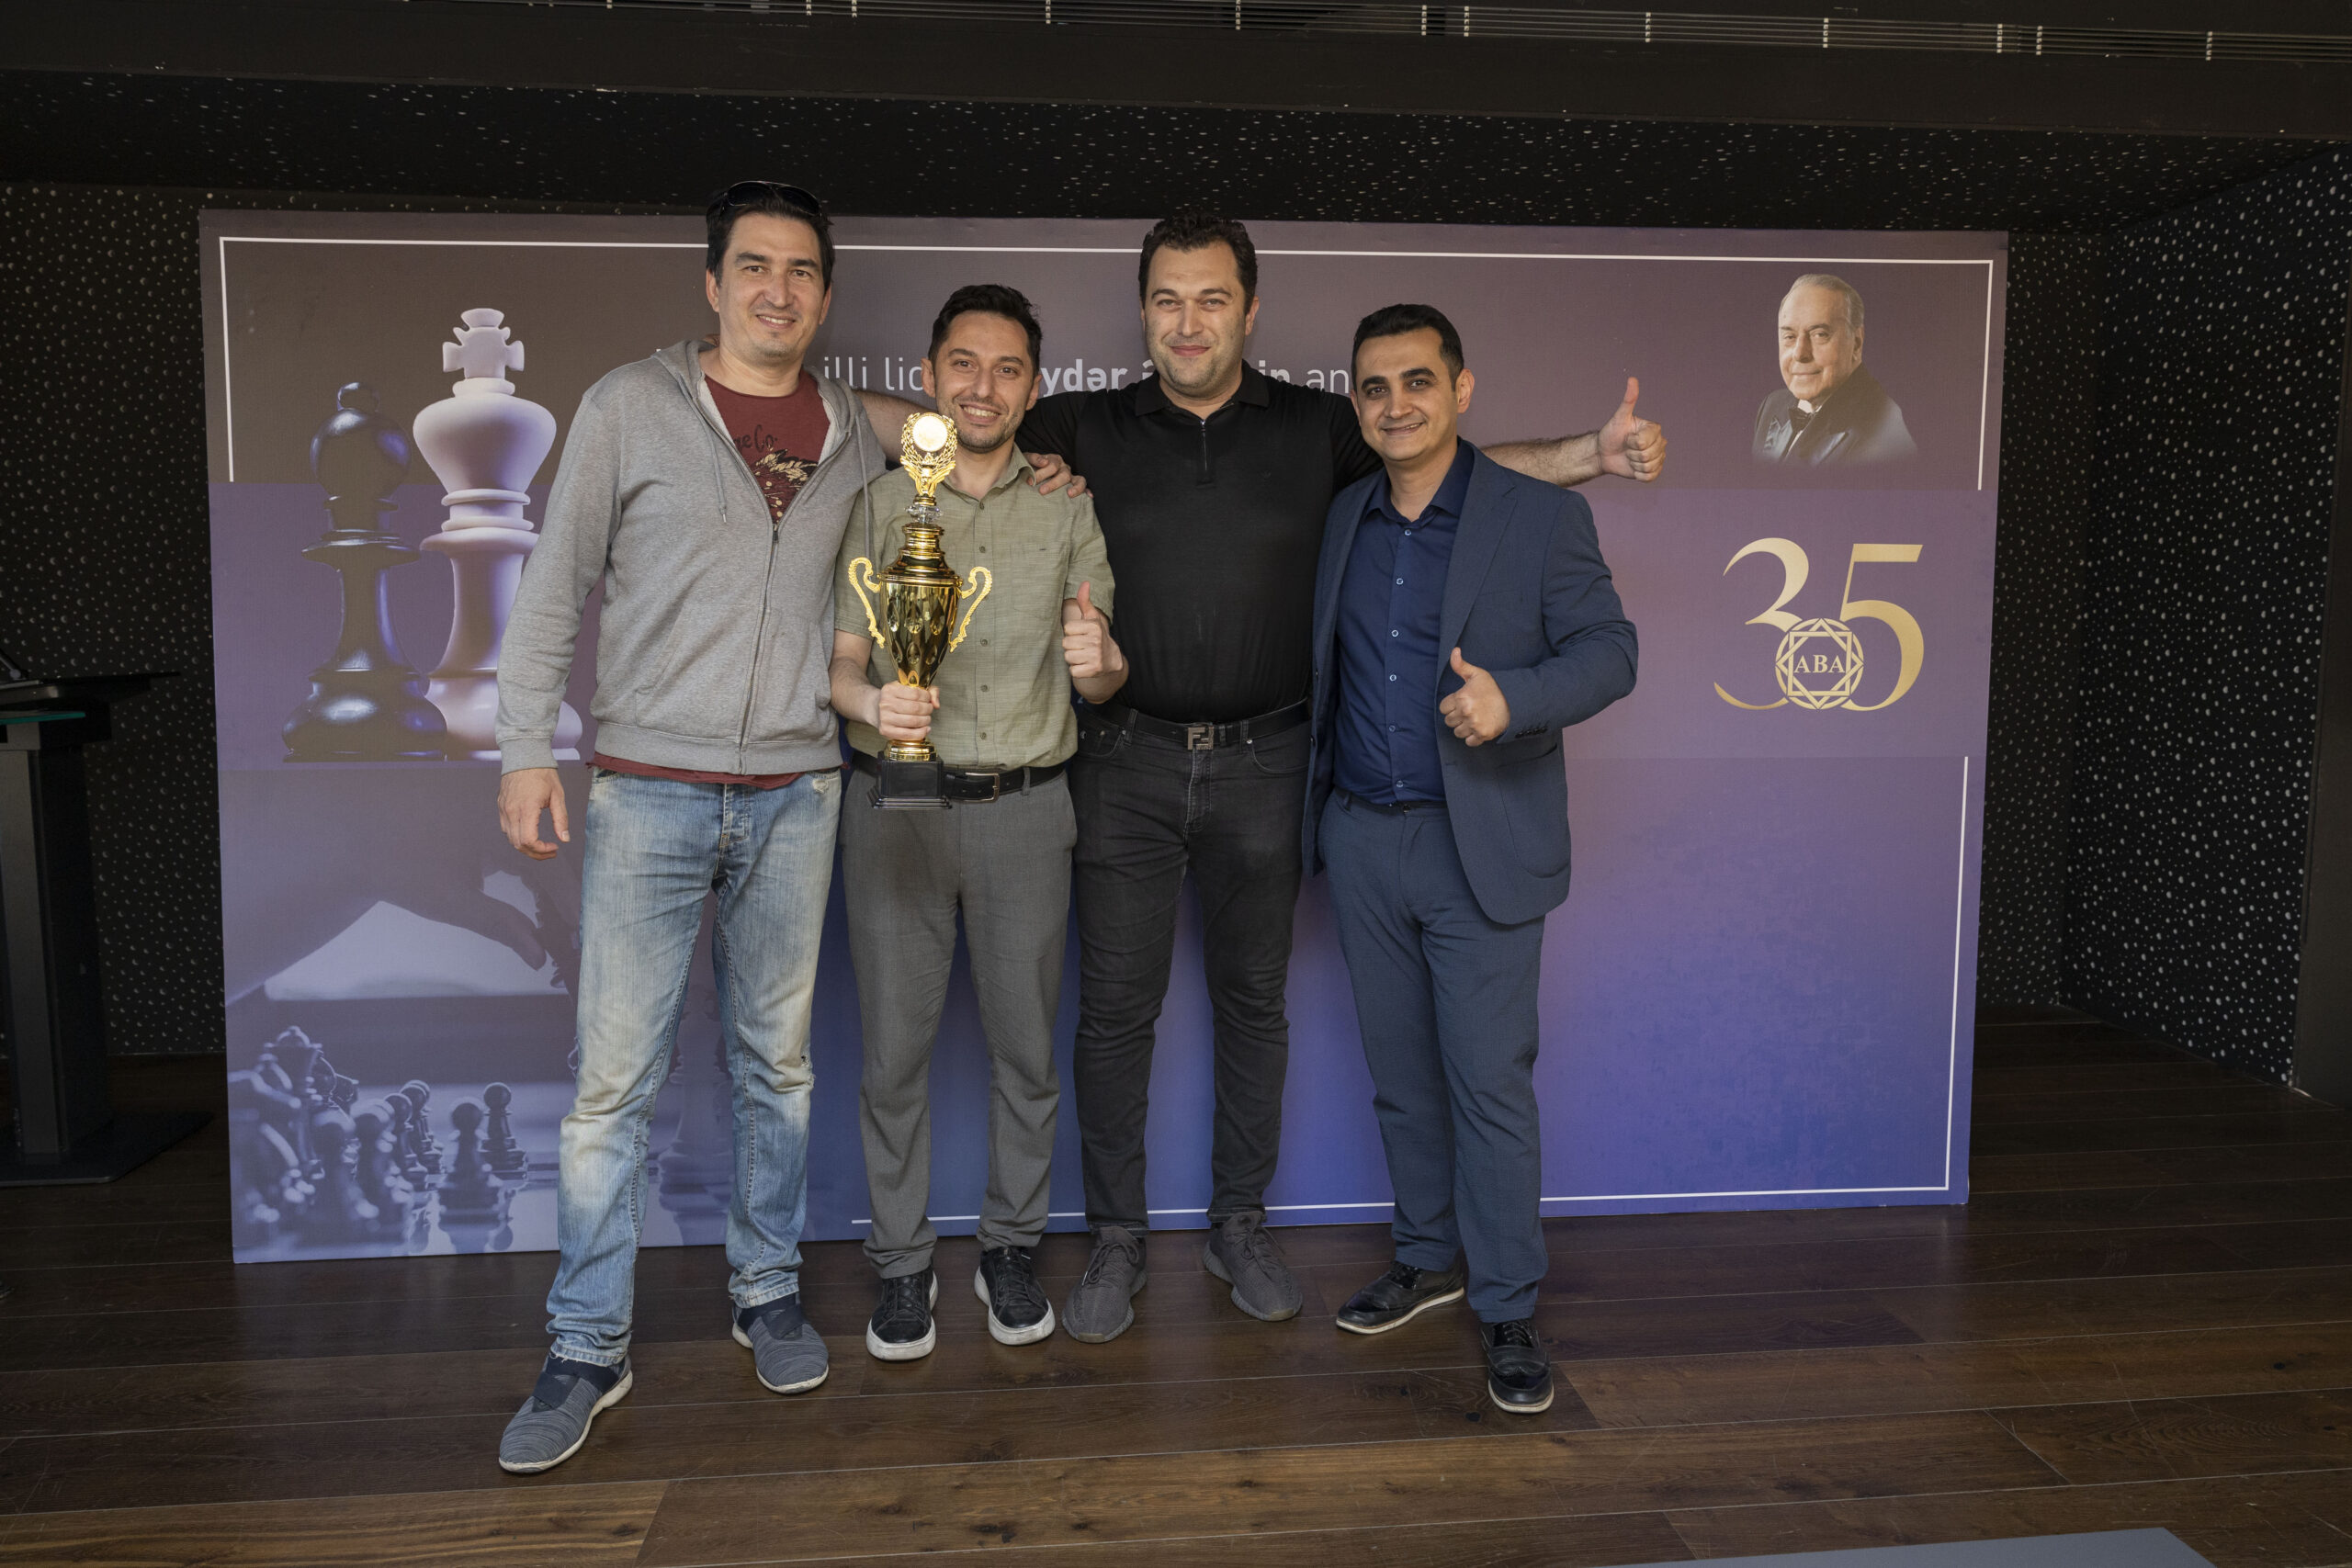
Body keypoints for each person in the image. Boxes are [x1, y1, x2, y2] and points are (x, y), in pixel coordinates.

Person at [486, 183, 1078, 1476]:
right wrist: (525, 744)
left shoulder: (860, 432)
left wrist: (1038, 459)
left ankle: (765, 1292)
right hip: (648, 782)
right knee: (612, 1085)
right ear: (713, 283)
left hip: (801, 790)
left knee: (779, 1069)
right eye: (754, 266)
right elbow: (554, 583)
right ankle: (587, 1342)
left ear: (825, 294)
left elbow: (964, 428)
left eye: (802, 271)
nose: (777, 289)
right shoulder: (629, 405)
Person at [1012, 212, 1661, 1343]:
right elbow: (949, 428)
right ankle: (1128, 1239)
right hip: (1149, 770)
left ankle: (1271, 1236)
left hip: (1292, 774)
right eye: (1167, 299)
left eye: (1212, 298)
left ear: (1250, 310)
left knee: (1284, 1019)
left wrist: (1587, 456)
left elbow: (1470, 483)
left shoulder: (1326, 434)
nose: (1188, 321)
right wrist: (792, 394)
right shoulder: (1085, 427)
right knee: (1129, 1018)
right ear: (1143, 311)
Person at [1305, 304, 1636, 1415]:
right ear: (1357, 405)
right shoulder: (1344, 517)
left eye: (1417, 381)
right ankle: (1425, 1258)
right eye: (1374, 387)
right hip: (1362, 836)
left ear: (1461, 389)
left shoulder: (1538, 517)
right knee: (1401, 1078)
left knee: (1487, 1084)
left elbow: (1612, 653)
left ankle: (1506, 1306)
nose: (1395, 404)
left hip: (1480, 839)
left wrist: (1516, 699)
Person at [828, 285, 1125, 1362]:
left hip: (1025, 812)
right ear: (928, 377)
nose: (982, 386)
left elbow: (1100, 672)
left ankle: (1009, 1250)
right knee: (892, 1060)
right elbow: (841, 665)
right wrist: (875, 705)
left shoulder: (1065, 507)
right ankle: (902, 1266)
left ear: (1034, 389)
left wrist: (1104, 666)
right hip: (892, 809)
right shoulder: (879, 504)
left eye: (1006, 370)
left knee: (1024, 1058)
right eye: (963, 363)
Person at [1751, 273, 1916, 466]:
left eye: (1820, 334)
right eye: (1789, 336)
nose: (1800, 353)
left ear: (1856, 343)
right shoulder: (1772, 405)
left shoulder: (1883, 432)